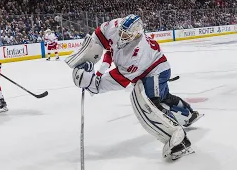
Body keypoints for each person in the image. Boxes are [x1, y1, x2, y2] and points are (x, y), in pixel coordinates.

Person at [65, 14, 202, 160]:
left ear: (136, 34)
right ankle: (188, 114)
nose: (122, 36)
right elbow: (97, 38)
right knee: (164, 98)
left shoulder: (136, 52)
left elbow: (118, 80)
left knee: (148, 103)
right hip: (153, 67)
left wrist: (93, 85)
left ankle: (178, 138)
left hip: (155, 71)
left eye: (126, 35)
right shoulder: (115, 26)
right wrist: (85, 56)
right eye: (122, 32)